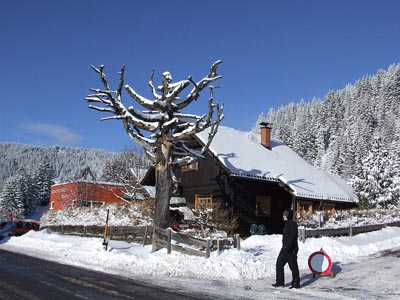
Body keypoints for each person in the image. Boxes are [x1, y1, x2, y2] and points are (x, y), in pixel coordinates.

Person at [272, 209, 300, 289]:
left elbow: (292, 237)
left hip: (291, 249)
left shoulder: (293, 224)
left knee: (293, 267)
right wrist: (284, 247)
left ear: (288, 215)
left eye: (285, 214)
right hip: (284, 248)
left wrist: (288, 247)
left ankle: (296, 284)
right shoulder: (287, 224)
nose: (283, 216)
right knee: (279, 264)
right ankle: (280, 282)